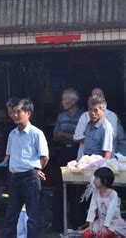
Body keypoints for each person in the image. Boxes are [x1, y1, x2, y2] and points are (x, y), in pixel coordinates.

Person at [2, 99, 49, 238]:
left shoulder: (36, 133)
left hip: (30, 178)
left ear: (28, 113)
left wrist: (36, 170)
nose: (15, 115)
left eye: (19, 112)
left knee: (33, 217)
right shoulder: (12, 134)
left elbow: (44, 157)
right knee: (11, 216)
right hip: (15, 178)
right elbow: (9, 155)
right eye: (14, 112)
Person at [51, 88, 83, 232]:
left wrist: (65, 134)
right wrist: (69, 135)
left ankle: (77, 223)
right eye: (62, 99)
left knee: (77, 188)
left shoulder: (83, 116)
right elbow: (55, 136)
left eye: (65, 99)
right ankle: (58, 225)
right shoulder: (61, 116)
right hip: (63, 152)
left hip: (77, 153)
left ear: (74, 101)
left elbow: (80, 137)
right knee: (59, 188)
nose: (62, 102)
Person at [74, 88, 118, 159]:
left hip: (99, 166)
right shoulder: (89, 124)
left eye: (96, 110)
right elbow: (77, 138)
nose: (92, 113)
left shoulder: (106, 127)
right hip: (87, 163)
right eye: (90, 109)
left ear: (103, 110)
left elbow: (107, 155)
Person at [83, 167, 126, 237]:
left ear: (104, 181)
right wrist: (90, 224)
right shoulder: (95, 192)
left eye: (96, 178)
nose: (94, 181)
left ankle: (116, 235)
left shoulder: (113, 194)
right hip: (101, 222)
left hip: (113, 223)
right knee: (86, 234)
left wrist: (105, 226)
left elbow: (110, 211)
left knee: (101, 235)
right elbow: (92, 208)